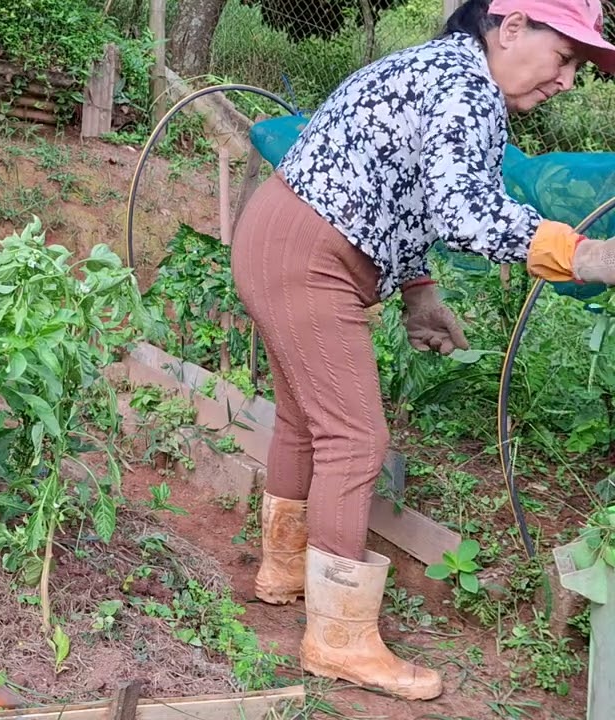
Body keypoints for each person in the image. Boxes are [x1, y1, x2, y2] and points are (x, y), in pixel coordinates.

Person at [230, 0, 615, 702]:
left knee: (302, 420)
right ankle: (338, 639)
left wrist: (419, 293)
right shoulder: (466, 87)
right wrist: (581, 253)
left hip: (284, 237)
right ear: (513, 27)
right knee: (355, 438)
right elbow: (464, 211)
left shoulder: (443, 71)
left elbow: (404, 194)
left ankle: (285, 571)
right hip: (310, 254)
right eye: (565, 60)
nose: (566, 82)